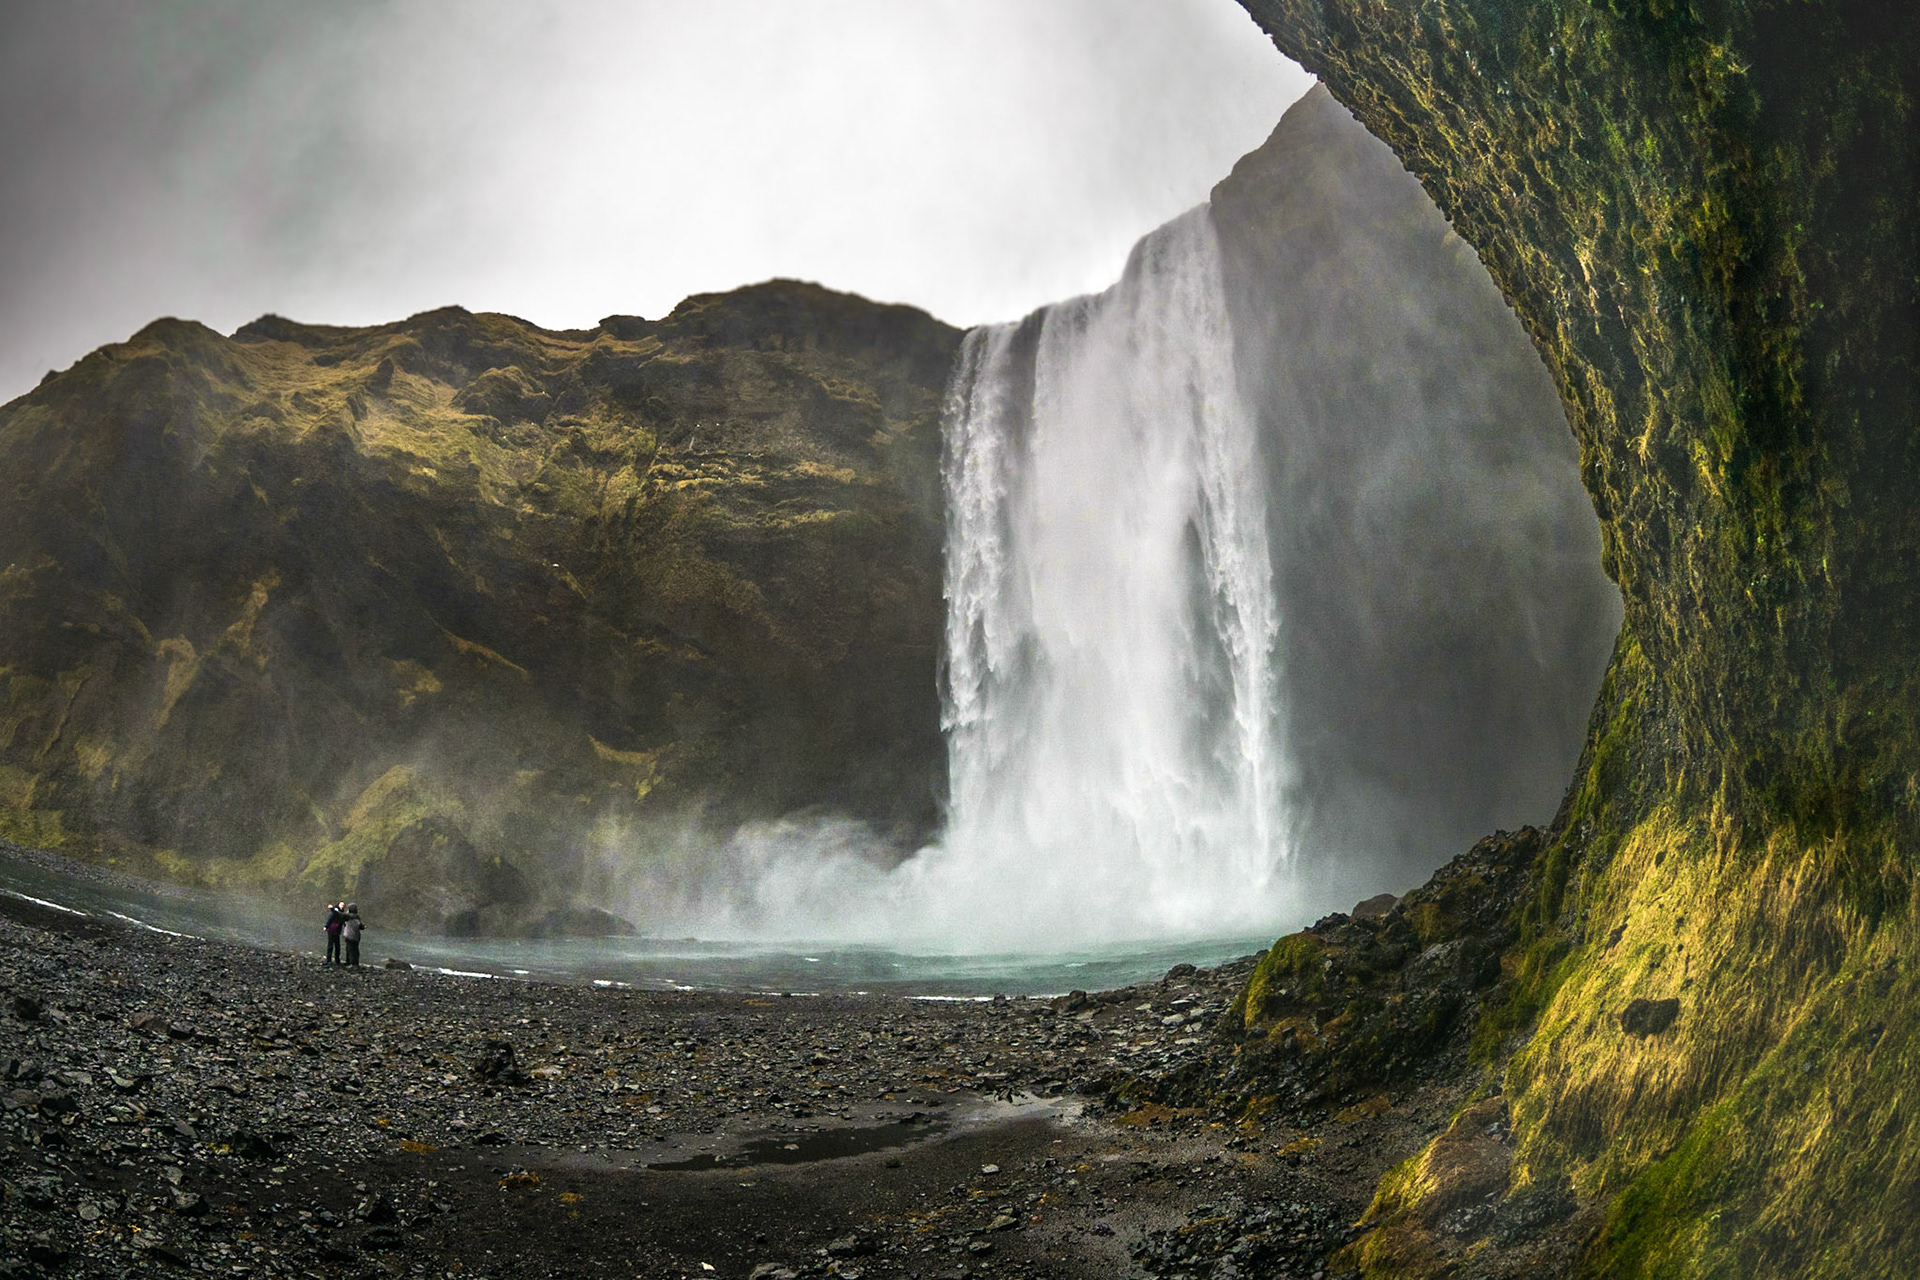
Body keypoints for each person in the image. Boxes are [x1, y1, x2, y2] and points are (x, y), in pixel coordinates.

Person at [342, 902, 365, 968]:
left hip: (349, 935)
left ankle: (351, 963)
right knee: (355, 950)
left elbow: (340, 915)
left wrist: (334, 909)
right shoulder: (357, 917)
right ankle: (355, 963)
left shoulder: (349, 916)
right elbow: (361, 926)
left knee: (350, 949)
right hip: (356, 936)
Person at [324, 901, 346, 965]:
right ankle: (329, 959)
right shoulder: (335, 912)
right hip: (331, 930)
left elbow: (343, 921)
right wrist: (326, 926)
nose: (342, 906)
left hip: (337, 931)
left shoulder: (342, 913)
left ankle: (337, 959)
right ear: (338, 905)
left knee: (337, 946)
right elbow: (330, 918)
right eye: (341, 905)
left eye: (343, 905)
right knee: (330, 945)